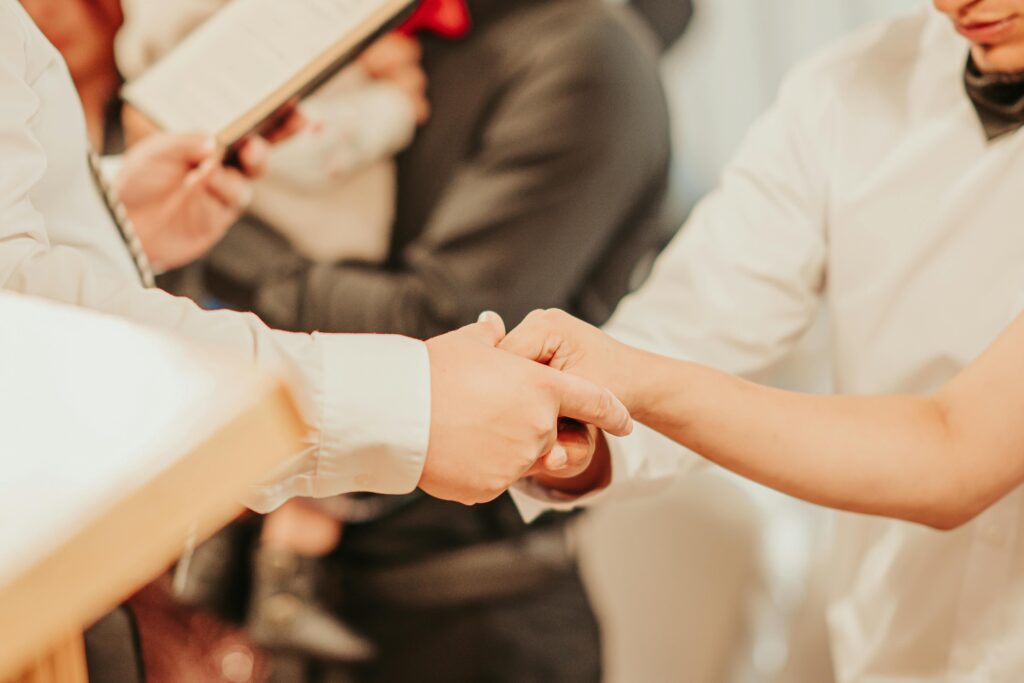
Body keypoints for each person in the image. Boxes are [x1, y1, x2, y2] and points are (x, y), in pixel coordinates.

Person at [116, 0, 673, 680]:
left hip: (462, 620)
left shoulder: (584, 57)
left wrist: (204, 216)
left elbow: (437, 336)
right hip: (254, 576)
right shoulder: (345, 30)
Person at [503, 1, 1024, 681]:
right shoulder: (842, 92)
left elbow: (952, 453)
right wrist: (566, 420)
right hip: (890, 651)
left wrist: (627, 379)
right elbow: (694, 320)